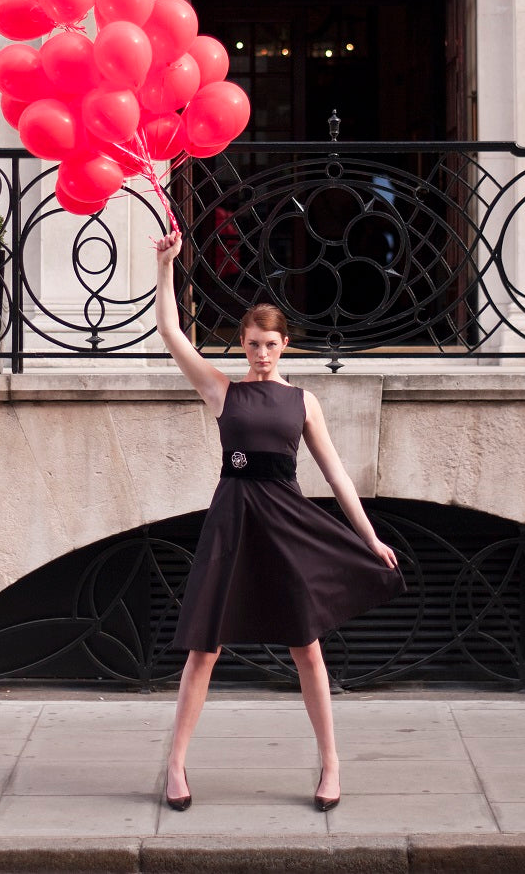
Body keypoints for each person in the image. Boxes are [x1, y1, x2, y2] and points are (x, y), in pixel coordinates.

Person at [154, 229, 404, 813]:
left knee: (307, 649)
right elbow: (171, 335)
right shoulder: (224, 394)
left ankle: (331, 764)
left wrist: (369, 537)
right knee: (203, 650)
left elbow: (338, 476)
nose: (261, 353)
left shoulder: (303, 403)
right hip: (233, 522)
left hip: (287, 522)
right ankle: (174, 766)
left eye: (270, 343)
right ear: (241, 345)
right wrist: (164, 267)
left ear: (285, 345)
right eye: (252, 343)